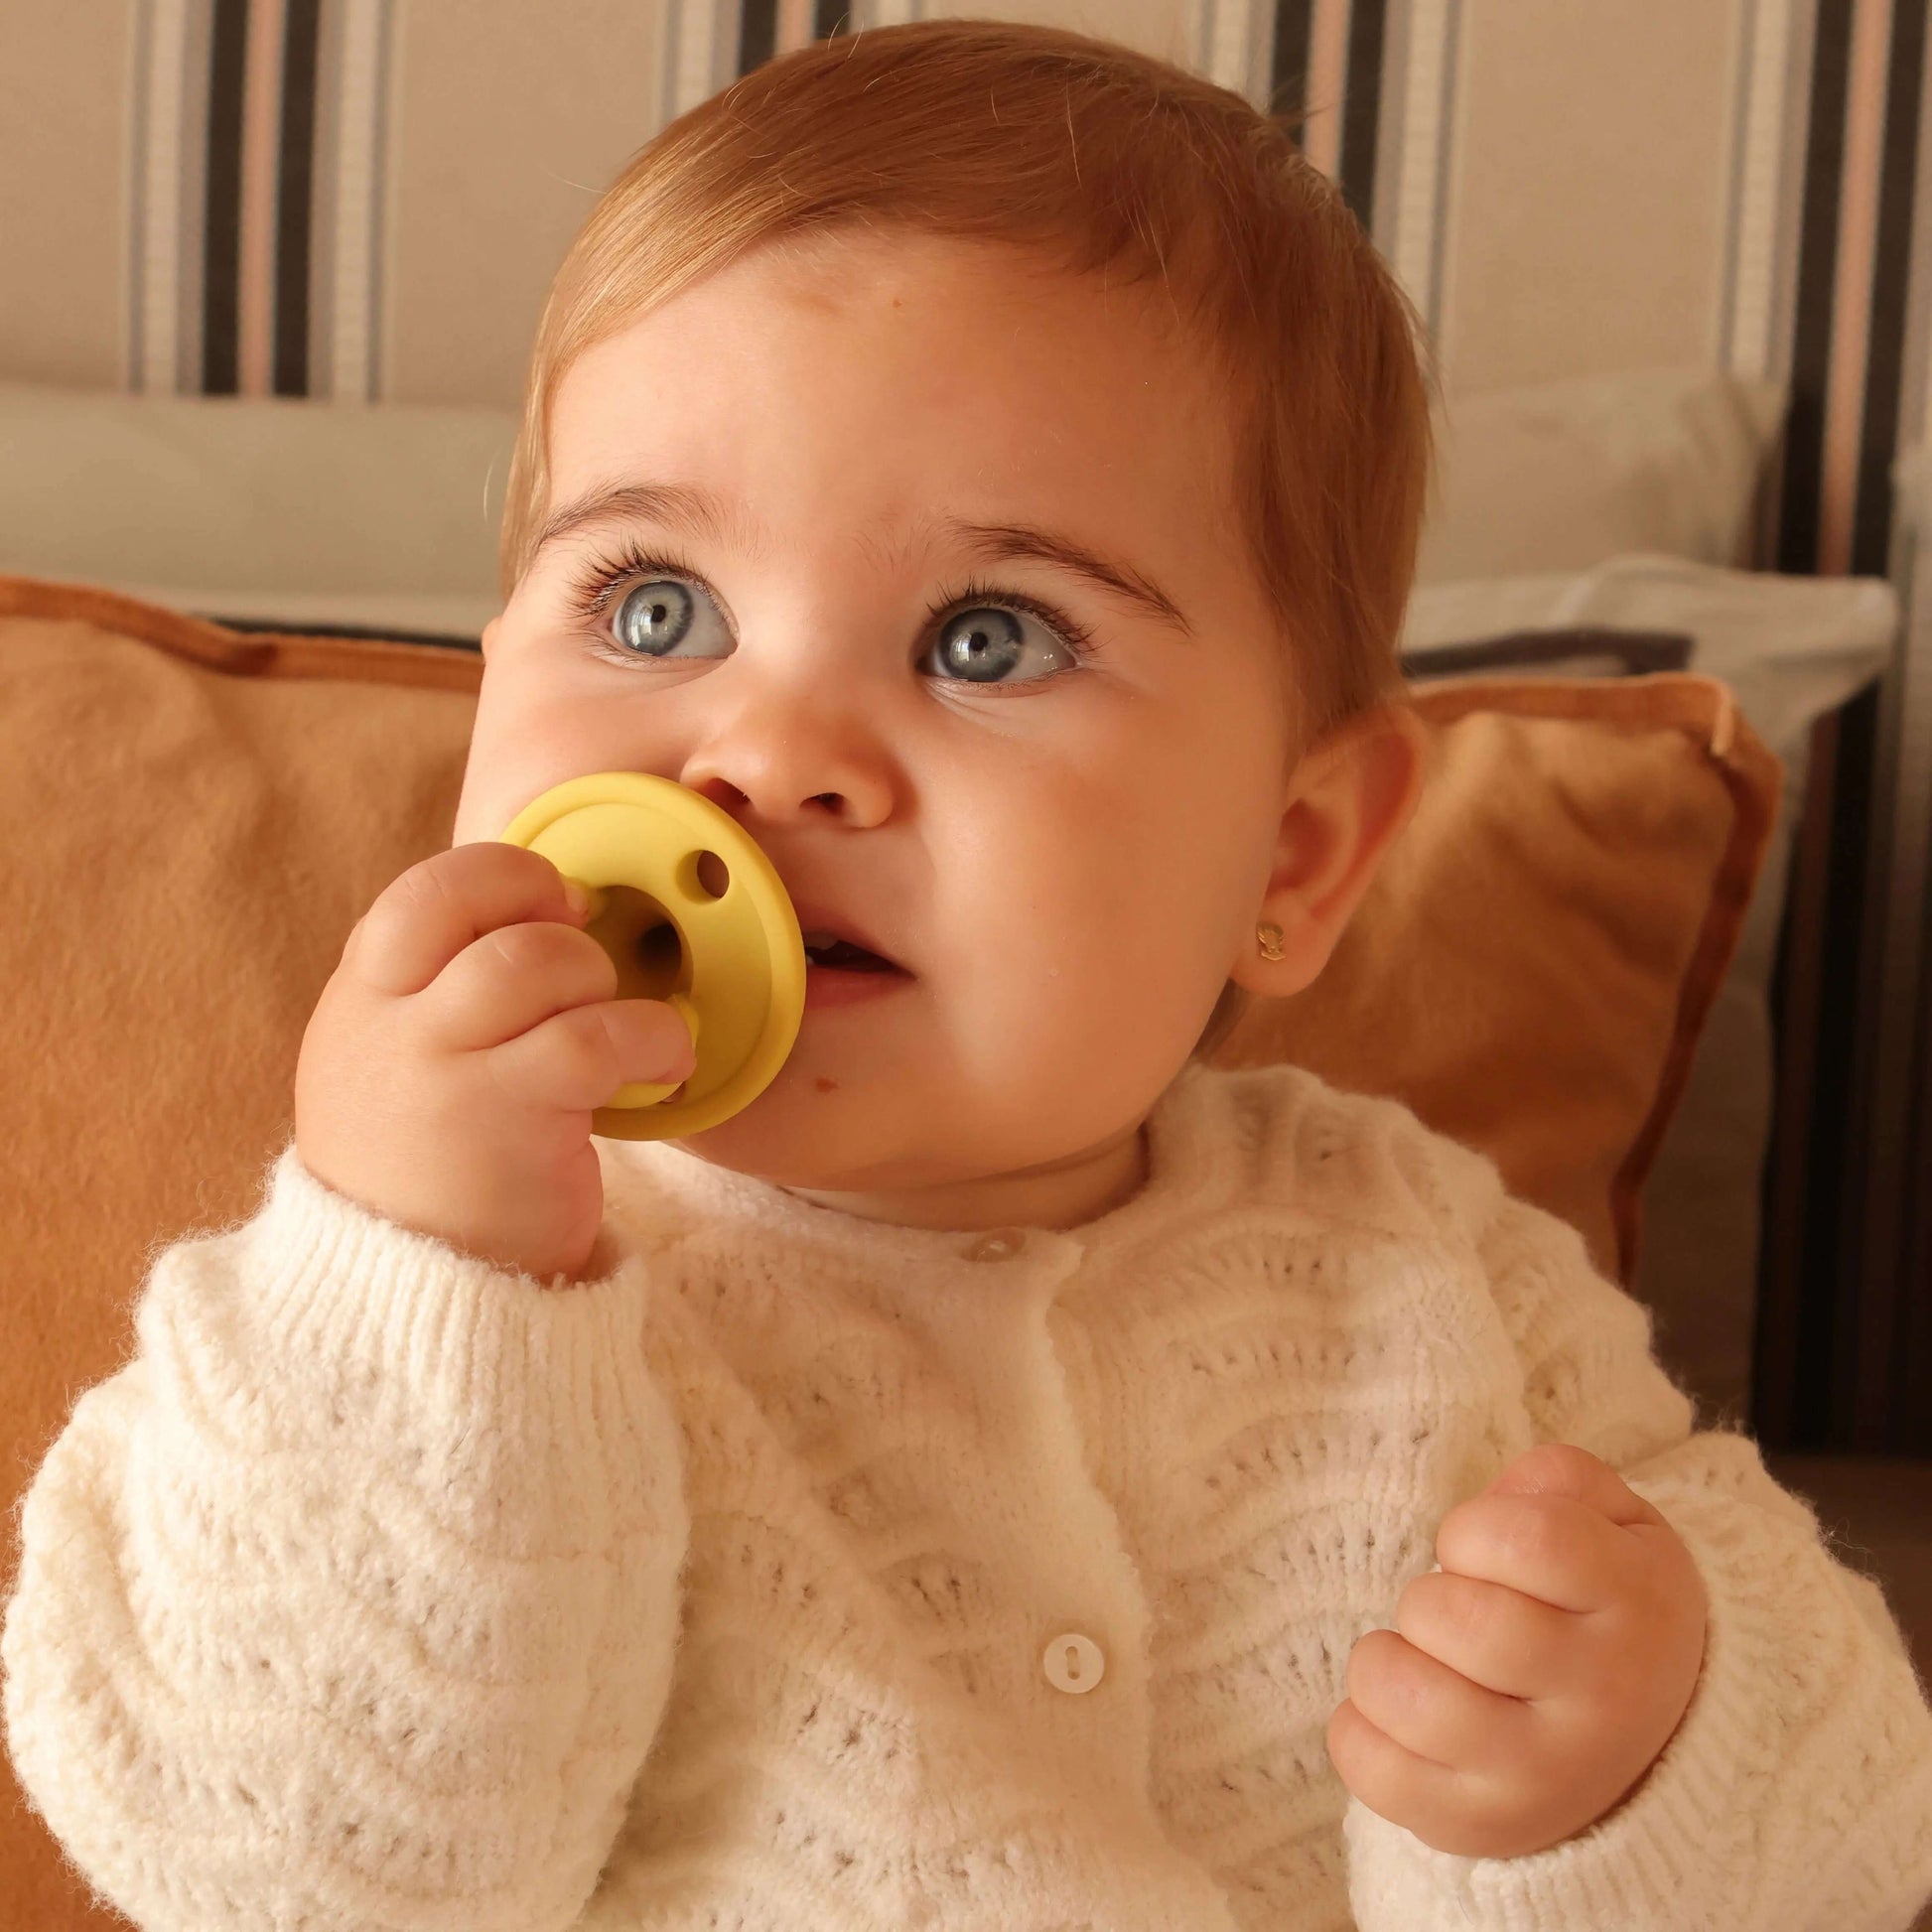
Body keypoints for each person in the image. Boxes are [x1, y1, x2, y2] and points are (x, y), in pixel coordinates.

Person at [5, 20, 1929, 1931]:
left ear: (1293, 855)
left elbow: (1854, 1827)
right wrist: (424, 1287)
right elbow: (285, 1874)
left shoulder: (1430, 1267)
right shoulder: (388, 1298)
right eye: (657, 607)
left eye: (987, 637)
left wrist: (1633, 1766)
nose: (769, 754)